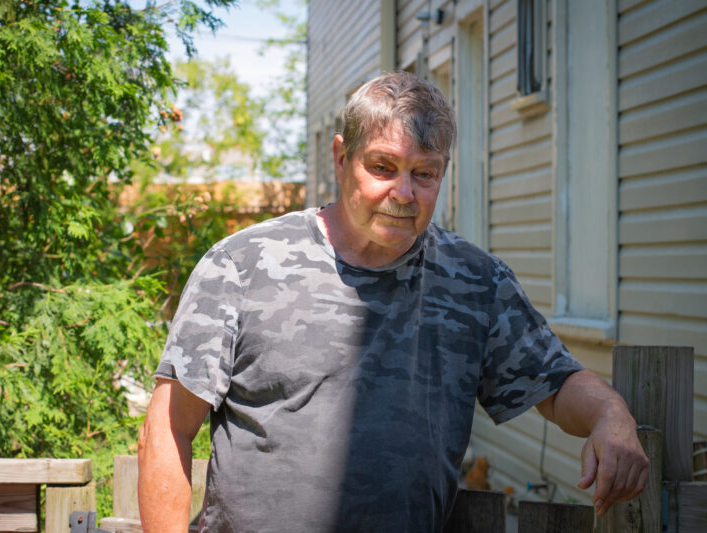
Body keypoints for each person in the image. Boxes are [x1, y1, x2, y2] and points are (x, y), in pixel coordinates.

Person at [138, 71, 648, 532]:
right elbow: (168, 426)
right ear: (341, 158)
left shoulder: (474, 281)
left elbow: (555, 386)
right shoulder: (243, 264)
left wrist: (611, 415)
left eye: (424, 174)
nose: (403, 192)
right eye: (383, 167)